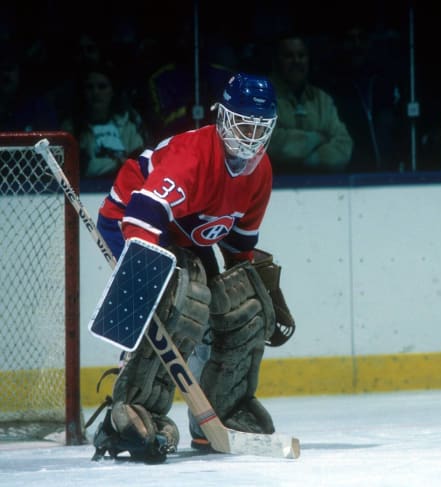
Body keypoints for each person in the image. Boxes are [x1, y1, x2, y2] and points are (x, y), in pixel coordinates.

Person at [90, 73, 296, 463]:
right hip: (129, 219)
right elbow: (142, 216)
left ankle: (221, 414)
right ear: (222, 118)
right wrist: (147, 287)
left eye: (259, 127)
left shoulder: (261, 171)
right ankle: (133, 413)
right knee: (183, 300)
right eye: (243, 124)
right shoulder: (194, 157)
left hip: (186, 233)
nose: (250, 137)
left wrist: (251, 287)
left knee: (243, 306)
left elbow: (238, 245)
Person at [320, 21, 407, 172]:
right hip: (350, 175)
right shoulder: (332, 87)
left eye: (361, 38)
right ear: (342, 44)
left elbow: (399, 127)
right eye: (351, 39)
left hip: (389, 172)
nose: (357, 45)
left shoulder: (383, 82)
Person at [266, 33, 353, 174]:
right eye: (289, 56)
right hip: (277, 186)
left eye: (301, 55)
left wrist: (313, 160)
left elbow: (344, 144)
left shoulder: (322, 99)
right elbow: (271, 144)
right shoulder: (262, 97)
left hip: (320, 186)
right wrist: (318, 138)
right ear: (276, 60)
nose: (296, 61)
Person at [60, 62, 146, 178]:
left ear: (112, 91)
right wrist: (119, 163)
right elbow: (82, 169)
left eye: (102, 87)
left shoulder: (128, 126)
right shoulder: (71, 128)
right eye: (90, 87)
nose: (96, 92)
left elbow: (139, 166)